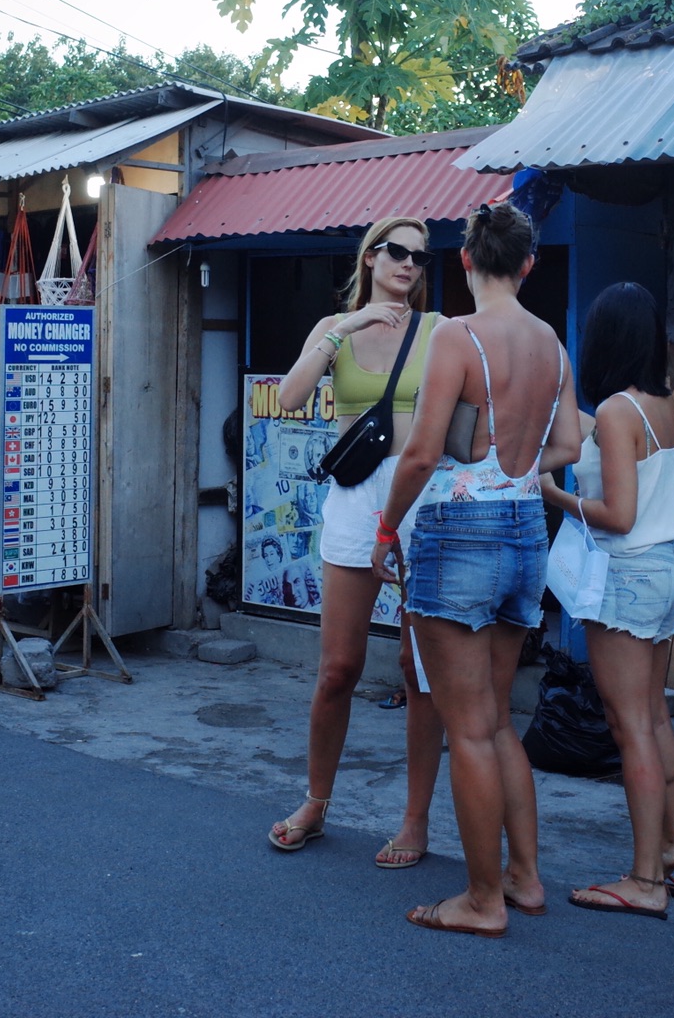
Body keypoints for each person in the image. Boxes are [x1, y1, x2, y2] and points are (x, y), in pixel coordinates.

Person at [377, 201, 582, 937]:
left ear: (466, 260)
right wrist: (517, 464)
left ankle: (482, 899)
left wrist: (385, 523)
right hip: (526, 525)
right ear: (528, 264)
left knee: (465, 727)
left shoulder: (458, 336)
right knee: (497, 723)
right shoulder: (551, 340)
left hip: (458, 529)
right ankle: (524, 879)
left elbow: (424, 453)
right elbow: (569, 444)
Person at [266, 217, 444, 869]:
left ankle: (415, 821)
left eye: (420, 257)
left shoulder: (439, 330)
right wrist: (343, 329)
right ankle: (316, 802)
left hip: (423, 496)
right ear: (370, 258)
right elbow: (288, 397)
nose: (408, 264)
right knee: (338, 668)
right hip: (354, 494)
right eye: (397, 252)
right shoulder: (333, 329)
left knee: (418, 669)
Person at [540, 282, 674, 919]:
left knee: (629, 728)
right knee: (653, 718)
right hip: (666, 570)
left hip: (626, 573)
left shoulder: (617, 412)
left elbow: (619, 515)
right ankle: (671, 846)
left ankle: (645, 880)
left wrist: (557, 498)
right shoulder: (663, 404)